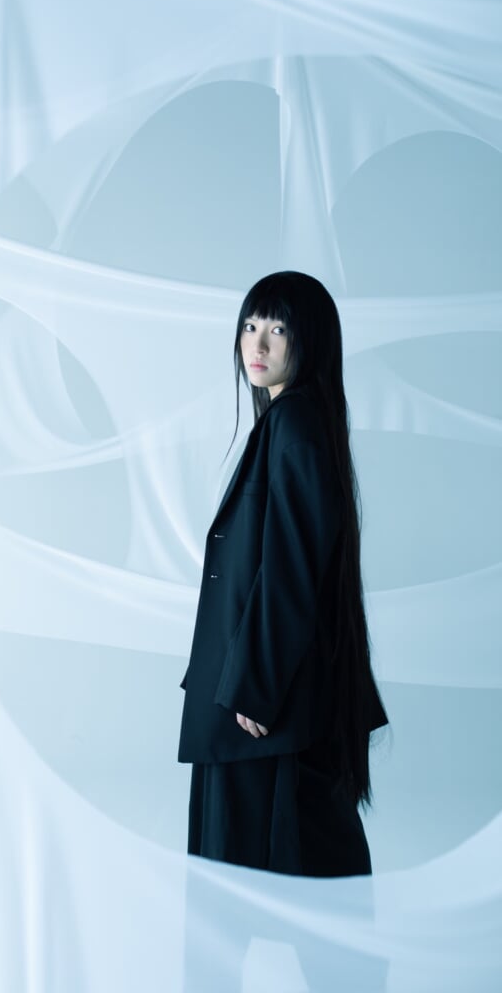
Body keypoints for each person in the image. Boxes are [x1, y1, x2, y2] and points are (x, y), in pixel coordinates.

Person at [177, 270, 389, 990]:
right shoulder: (290, 421)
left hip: (261, 711)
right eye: (250, 325)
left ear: (310, 342)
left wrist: (255, 687)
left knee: (249, 903)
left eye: (277, 329)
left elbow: (292, 566)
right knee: (284, 899)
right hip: (258, 702)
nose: (257, 345)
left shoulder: (294, 422)